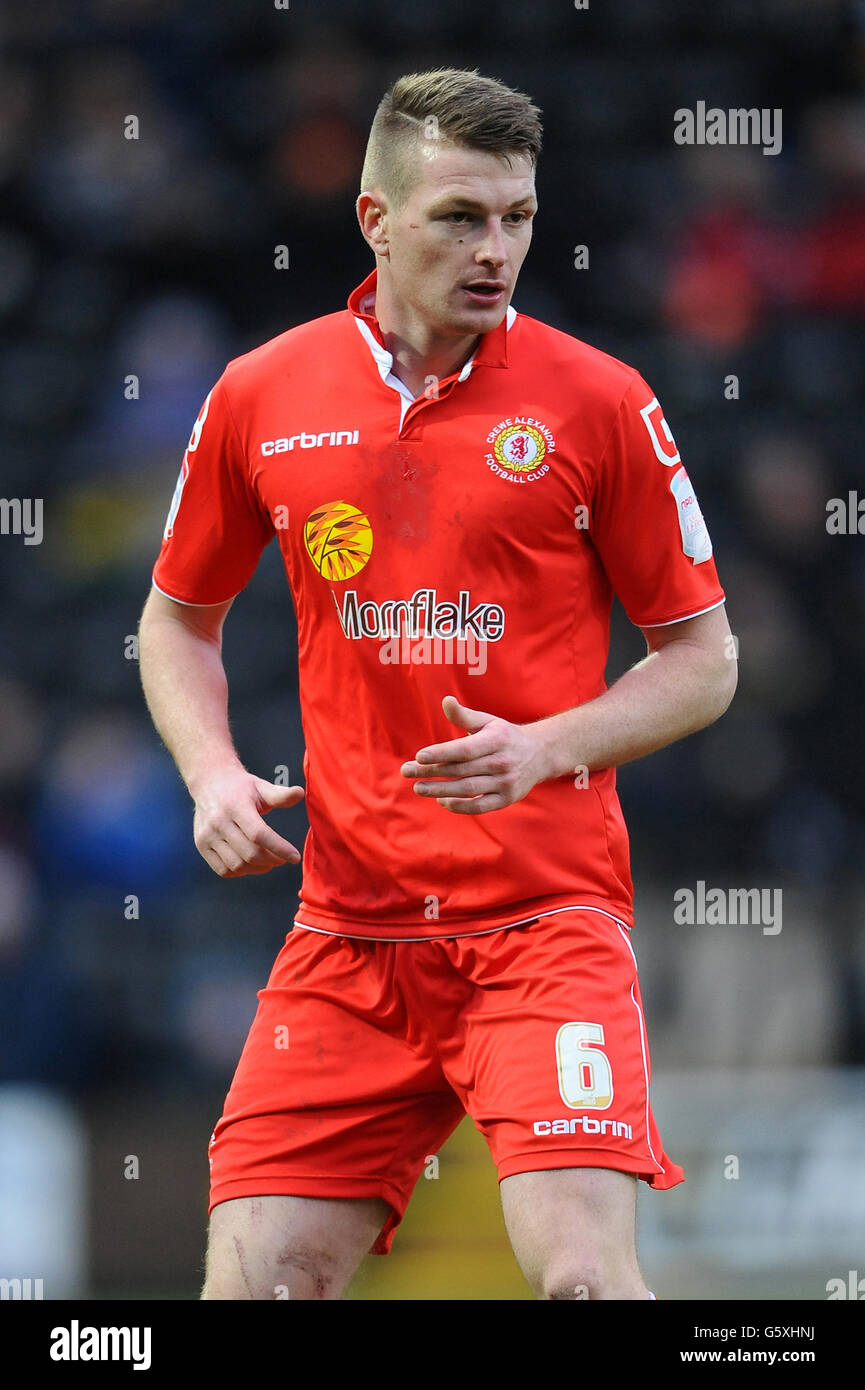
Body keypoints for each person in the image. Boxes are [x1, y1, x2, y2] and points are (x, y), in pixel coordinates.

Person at [139, 67, 737, 1301]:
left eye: (517, 217)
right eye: (460, 216)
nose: (497, 248)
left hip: (543, 927)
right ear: (375, 219)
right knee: (255, 1290)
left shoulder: (600, 400)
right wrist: (210, 776)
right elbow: (175, 622)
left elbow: (703, 660)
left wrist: (546, 745)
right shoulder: (263, 392)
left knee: (582, 1282)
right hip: (347, 937)